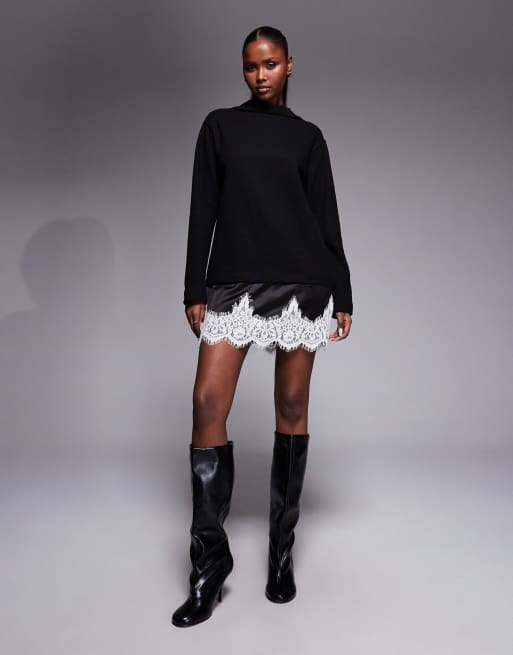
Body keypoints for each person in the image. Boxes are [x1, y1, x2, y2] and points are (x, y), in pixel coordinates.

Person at [171, 25, 353, 628]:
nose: (260, 75)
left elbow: (326, 218)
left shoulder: (308, 138)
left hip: (302, 280)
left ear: (289, 65)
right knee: (207, 402)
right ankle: (209, 565)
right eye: (251, 66)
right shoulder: (219, 127)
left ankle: (281, 553)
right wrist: (195, 287)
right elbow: (202, 208)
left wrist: (344, 291)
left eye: (270, 64)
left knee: (292, 405)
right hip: (232, 281)